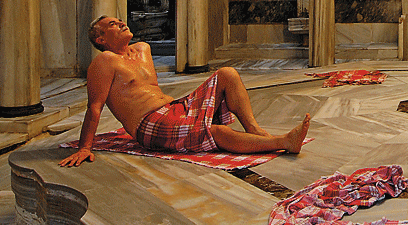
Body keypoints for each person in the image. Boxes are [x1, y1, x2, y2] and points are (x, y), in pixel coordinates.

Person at [59, 16, 310, 167]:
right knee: (216, 132)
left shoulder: (143, 49)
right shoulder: (104, 61)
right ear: (101, 39)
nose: (122, 23)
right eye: (113, 25)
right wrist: (84, 147)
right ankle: (282, 143)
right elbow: (95, 106)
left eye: (119, 20)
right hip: (150, 125)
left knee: (228, 74)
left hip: (175, 108)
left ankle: (253, 130)